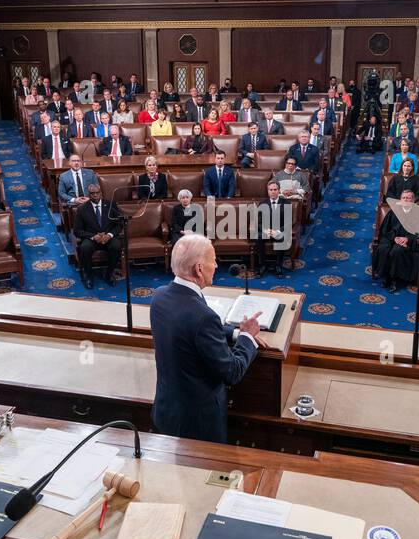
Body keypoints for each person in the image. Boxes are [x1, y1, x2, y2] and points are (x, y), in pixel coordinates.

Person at [148, 235, 261, 444]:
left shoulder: (159, 296)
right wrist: (247, 337)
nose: (216, 265)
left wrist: (234, 333)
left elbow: (187, 327)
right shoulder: (203, 317)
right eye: (213, 260)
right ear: (199, 268)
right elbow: (231, 372)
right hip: (198, 425)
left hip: (167, 411)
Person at [372, 189, 419, 293]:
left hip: (407, 242)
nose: (406, 199)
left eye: (408, 198)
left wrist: (407, 239)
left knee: (396, 251)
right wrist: (394, 238)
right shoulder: (393, 212)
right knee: (383, 248)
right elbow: (385, 230)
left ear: (413, 200)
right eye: (403, 198)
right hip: (392, 238)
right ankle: (386, 276)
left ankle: (394, 280)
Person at [73, 184, 123, 287]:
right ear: (89, 194)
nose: (95, 195)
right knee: (85, 248)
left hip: (108, 237)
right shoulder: (82, 209)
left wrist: (109, 235)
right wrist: (93, 236)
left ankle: (109, 273)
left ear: (101, 193)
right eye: (92, 193)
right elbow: (77, 231)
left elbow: (119, 225)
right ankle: (89, 276)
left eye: (97, 193)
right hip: (91, 238)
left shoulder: (110, 205)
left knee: (117, 246)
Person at [253, 181, 294, 277]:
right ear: (268, 191)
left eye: (275, 189)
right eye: (270, 190)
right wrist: (264, 230)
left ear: (279, 190)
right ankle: (262, 265)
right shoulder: (263, 204)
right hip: (266, 231)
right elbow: (258, 222)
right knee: (258, 237)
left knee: (281, 237)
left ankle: (278, 266)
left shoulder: (286, 203)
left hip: (279, 231)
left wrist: (278, 231)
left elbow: (288, 222)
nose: (273, 192)